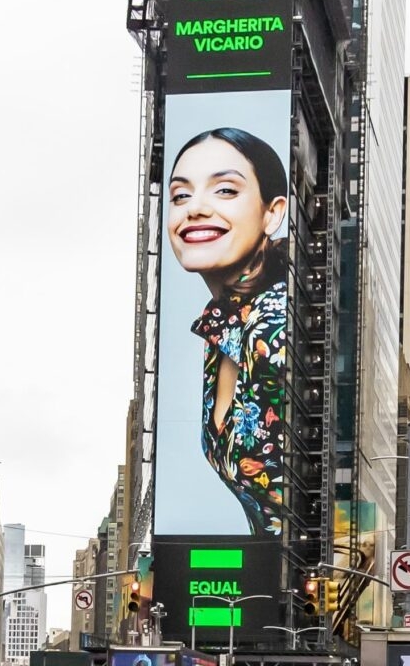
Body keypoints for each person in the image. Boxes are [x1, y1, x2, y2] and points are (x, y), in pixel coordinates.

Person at [167, 127, 288, 536]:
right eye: (181, 195)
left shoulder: (277, 323)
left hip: (312, 575)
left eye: (224, 191)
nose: (195, 209)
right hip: (269, 579)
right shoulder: (220, 324)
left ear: (273, 212)